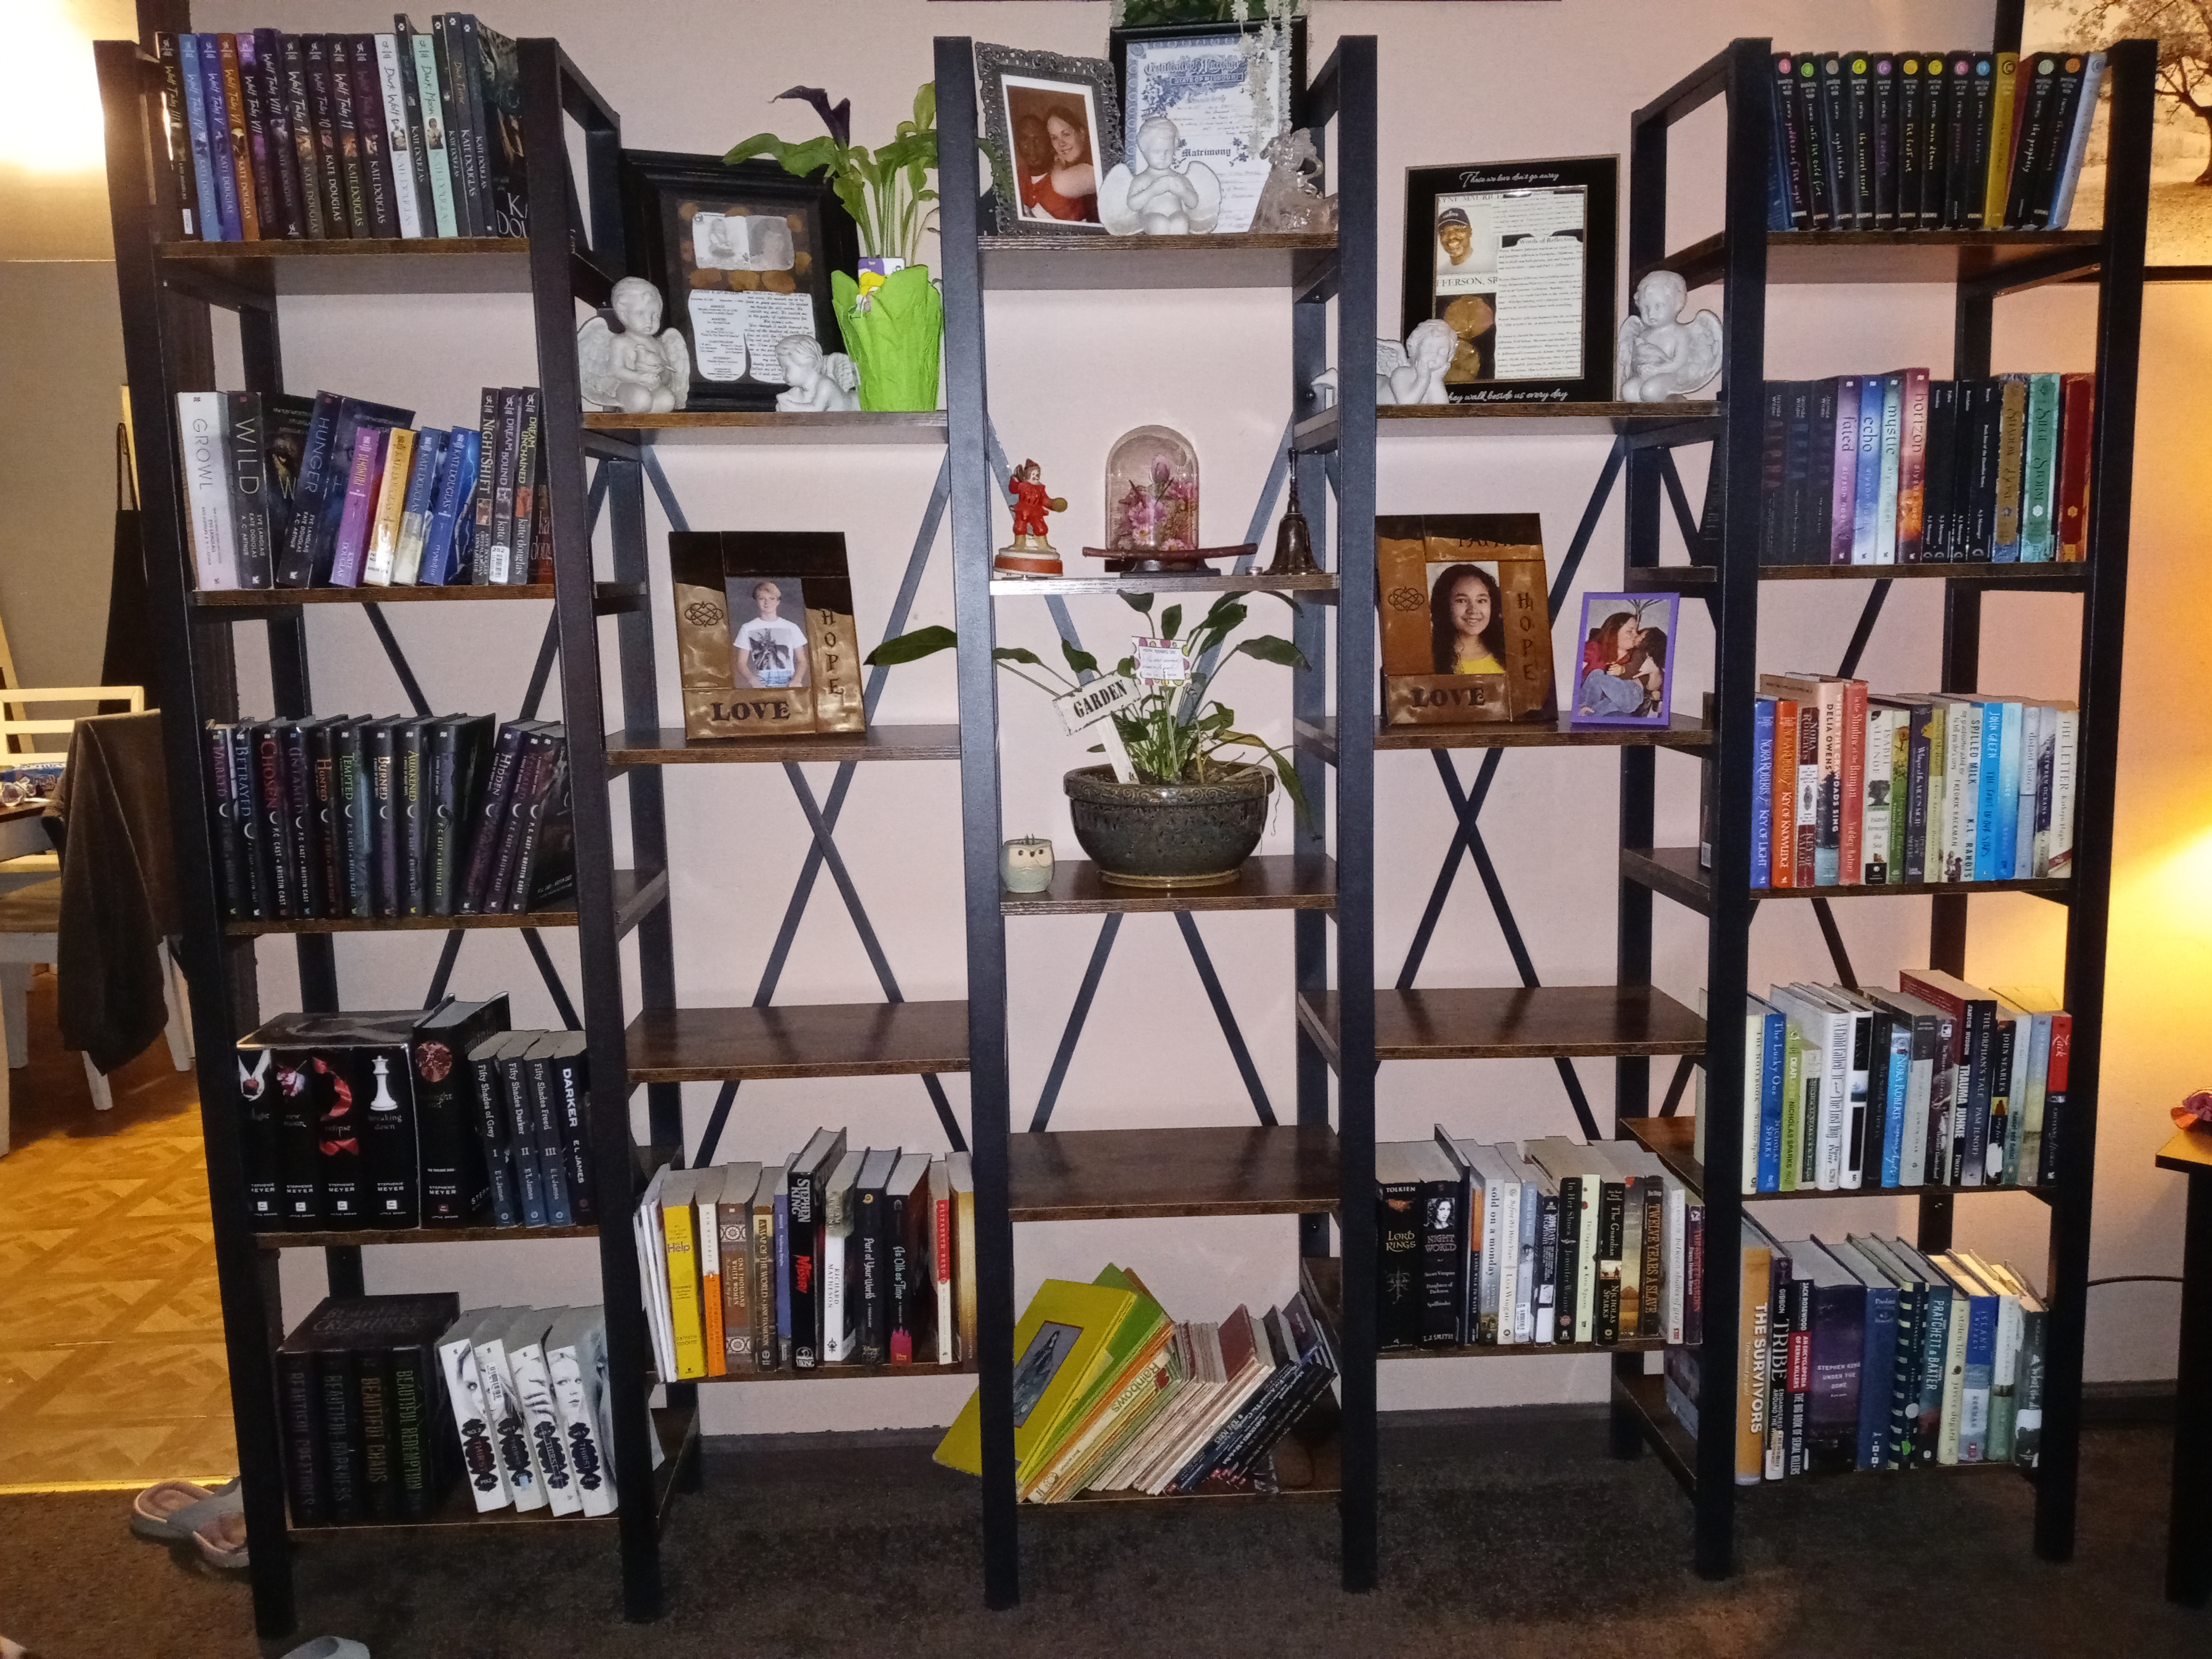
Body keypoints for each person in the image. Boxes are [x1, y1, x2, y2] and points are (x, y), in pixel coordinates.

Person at [1022, 103, 1097, 223]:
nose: (1061, 143)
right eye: (1054, 138)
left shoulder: (1092, 164)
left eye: (1066, 134)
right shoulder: (1075, 164)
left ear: (1082, 133)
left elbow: (1061, 184)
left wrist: (1058, 162)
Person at [1429, 563, 1507, 676]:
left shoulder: (1509, 652)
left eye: (1481, 601)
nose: (1473, 610)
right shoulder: (1428, 658)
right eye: (1462, 601)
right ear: (1445, 605)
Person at [733, 580, 810, 688]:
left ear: (778, 601)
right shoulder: (747, 628)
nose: (767, 602)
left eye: (772, 598)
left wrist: (797, 680)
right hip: (761, 688)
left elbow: (802, 661)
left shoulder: (792, 627)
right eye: (762, 599)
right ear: (756, 601)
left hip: (790, 687)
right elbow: (741, 663)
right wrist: (754, 681)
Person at [1436, 204, 1476, 268]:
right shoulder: (1442, 271)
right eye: (1444, 233)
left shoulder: (1485, 264)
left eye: (1458, 229)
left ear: (1470, 232)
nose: (1451, 236)